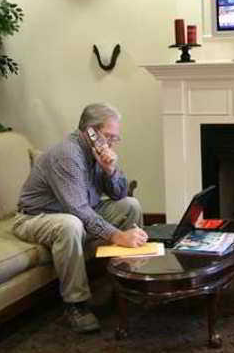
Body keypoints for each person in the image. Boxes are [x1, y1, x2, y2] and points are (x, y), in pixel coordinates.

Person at [13, 103, 147, 333]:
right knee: (71, 224)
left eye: (116, 138)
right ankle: (76, 305)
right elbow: (77, 209)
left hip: (77, 211)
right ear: (90, 132)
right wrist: (116, 236)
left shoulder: (98, 152)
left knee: (130, 205)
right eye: (108, 137)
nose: (112, 143)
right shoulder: (67, 155)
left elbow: (119, 194)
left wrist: (110, 170)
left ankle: (126, 286)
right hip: (36, 218)